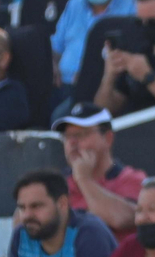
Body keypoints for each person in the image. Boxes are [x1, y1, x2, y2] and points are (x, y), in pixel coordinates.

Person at [51, 0, 135, 94]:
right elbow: (56, 47)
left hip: (107, 90)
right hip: (63, 86)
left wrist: (90, 78)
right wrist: (53, 65)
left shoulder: (135, 5)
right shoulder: (74, 4)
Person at [55, 102, 145, 239]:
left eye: (81, 134)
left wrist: (84, 179)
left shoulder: (132, 179)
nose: (72, 142)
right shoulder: (56, 185)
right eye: (67, 136)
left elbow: (120, 219)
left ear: (108, 138)